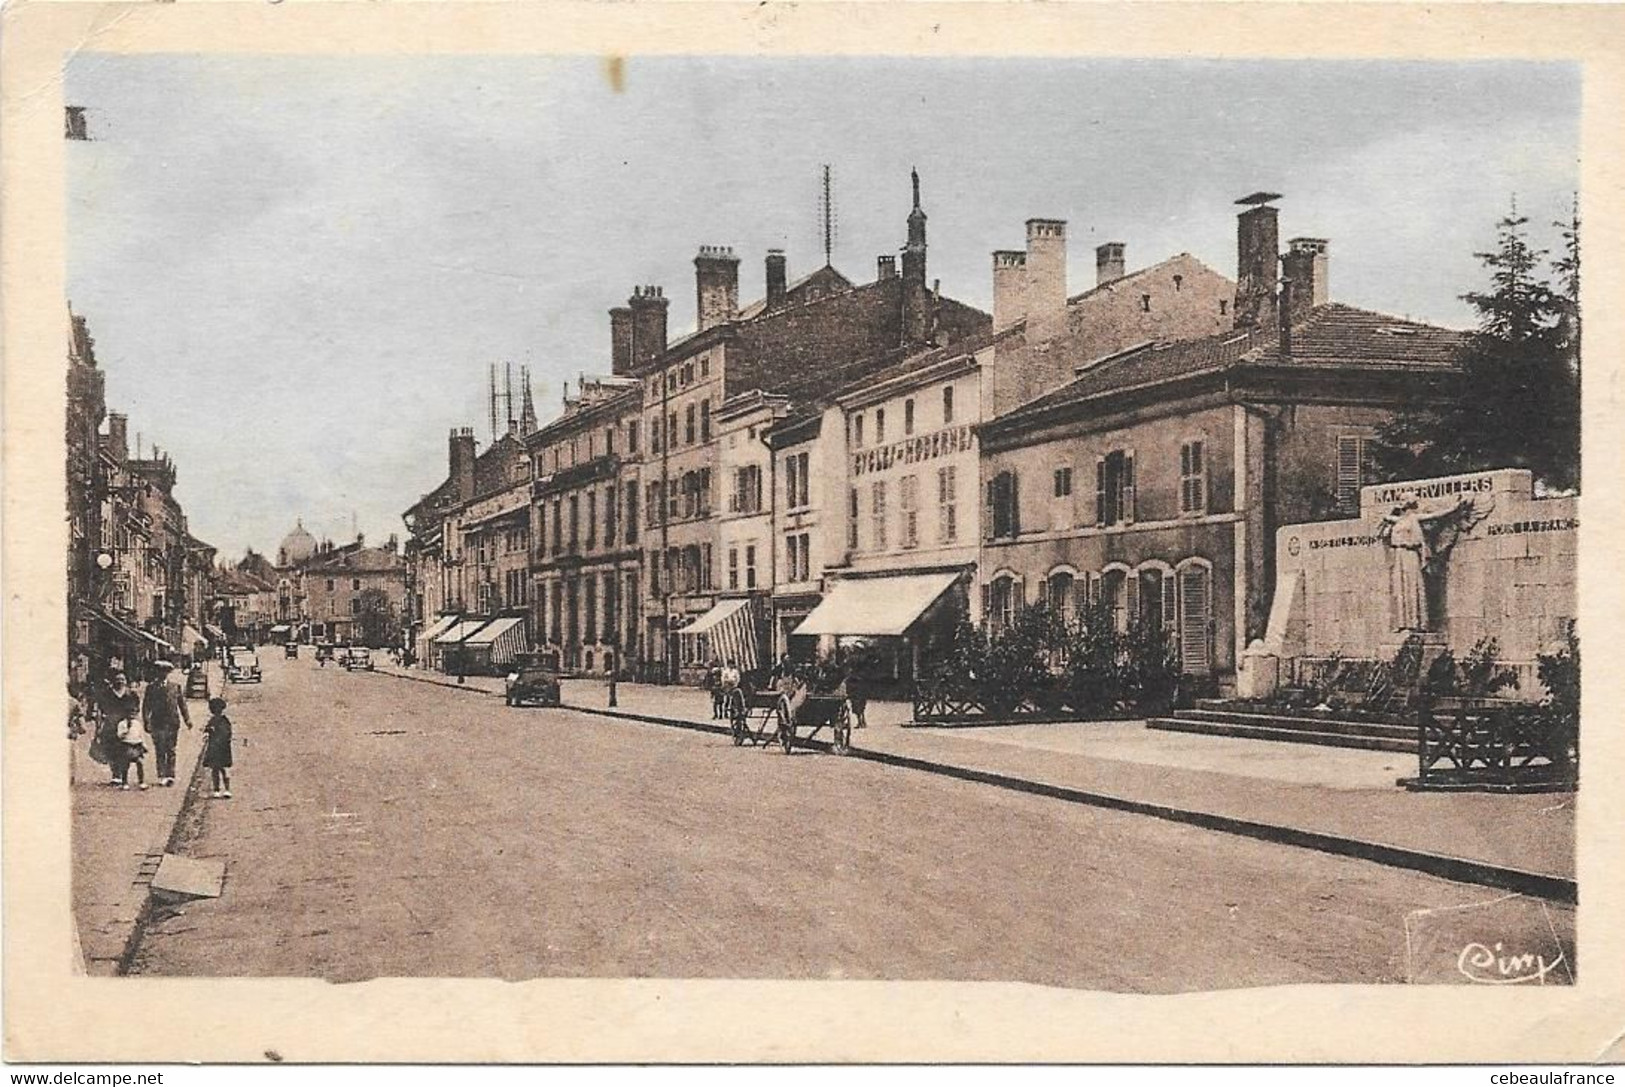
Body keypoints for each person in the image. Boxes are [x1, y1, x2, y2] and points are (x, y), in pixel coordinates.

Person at [141, 660, 192, 787]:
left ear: (168, 673)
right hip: (157, 722)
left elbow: (182, 705)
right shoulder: (151, 688)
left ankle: (170, 774)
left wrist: (187, 720)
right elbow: (146, 706)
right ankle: (162, 775)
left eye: (165, 671)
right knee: (160, 749)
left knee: (171, 749)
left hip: (172, 722)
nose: (162, 674)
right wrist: (146, 721)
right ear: (156, 672)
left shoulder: (175, 687)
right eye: (160, 671)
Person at [93, 670, 140, 786]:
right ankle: (115, 774)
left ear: (126, 681)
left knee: (124, 749)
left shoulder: (131, 694)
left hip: (125, 724)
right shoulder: (106, 693)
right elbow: (100, 710)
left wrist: (132, 722)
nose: (120, 682)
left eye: (122, 679)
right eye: (117, 679)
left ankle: (122, 775)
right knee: (111, 750)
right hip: (110, 724)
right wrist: (98, 726)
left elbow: (136, 709)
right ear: (113, 681)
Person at [202, 696, 233, 799]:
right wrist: (207, 731)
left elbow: (227, 733)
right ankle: (217, 789)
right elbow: (207, 730)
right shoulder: (214, 720)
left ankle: (226, 789)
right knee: (216, 769)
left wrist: (212, 731)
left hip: (221, 747)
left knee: (222, 769)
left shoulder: (224, 721)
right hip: (217, 747)